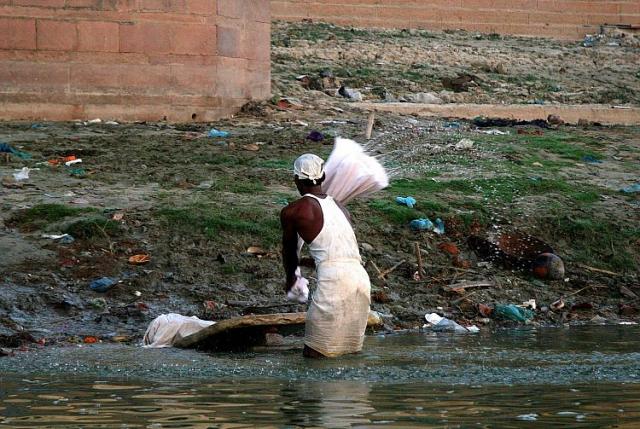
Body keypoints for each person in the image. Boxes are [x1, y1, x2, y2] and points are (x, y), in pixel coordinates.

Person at [280, 153, 371, 358]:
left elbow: (289, 251)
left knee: (315, 355)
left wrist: (291, 279)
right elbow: (336, 252)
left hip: (335, 281)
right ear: (322, 177)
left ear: (296, 179)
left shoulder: (294, 211)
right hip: (360, 278)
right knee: (349, 353)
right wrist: (310, 262)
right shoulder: (340, 207)